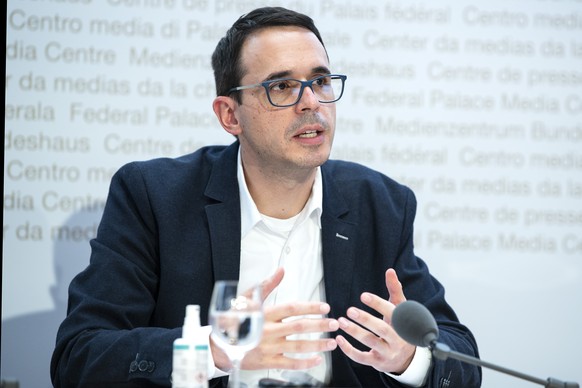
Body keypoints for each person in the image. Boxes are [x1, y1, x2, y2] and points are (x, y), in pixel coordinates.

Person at [51, 6, 481, 388]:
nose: (310, 102)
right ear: (229, 115)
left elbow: (462, 359)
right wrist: (216, 352)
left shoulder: (380, 204)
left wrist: (410, 358)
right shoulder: (154, 196)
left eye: (320, 81)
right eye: (281, 87)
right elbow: (80, 356)